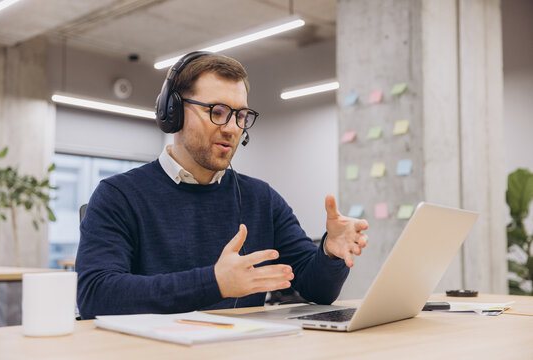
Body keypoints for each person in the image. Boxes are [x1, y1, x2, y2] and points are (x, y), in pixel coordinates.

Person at [76, 51, 369, 319]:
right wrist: (214, 282)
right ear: (174, 112)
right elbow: (96, 295)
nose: (231, 128)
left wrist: (330, 253)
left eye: (240, 116)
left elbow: (316, 289)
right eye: (217, 111)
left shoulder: (261, 199)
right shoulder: (119, 195)